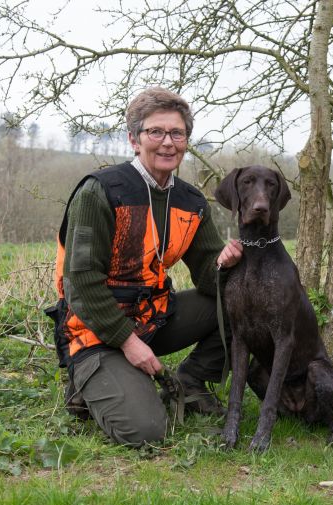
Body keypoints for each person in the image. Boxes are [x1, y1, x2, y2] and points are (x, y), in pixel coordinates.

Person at [52, 87, 243, 447]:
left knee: (237, 302)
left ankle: (191, 380)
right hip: (95, 331)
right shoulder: (101, 191)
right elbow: (80, 283)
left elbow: (207, 276)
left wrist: (226, 266)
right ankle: (86, 384)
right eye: (155, 132)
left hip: (154, 318)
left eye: (177, 133)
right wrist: (128, 342)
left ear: (186, 140)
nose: (167, 142)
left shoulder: (190, 200)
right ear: (133, 139)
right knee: (146, 431)